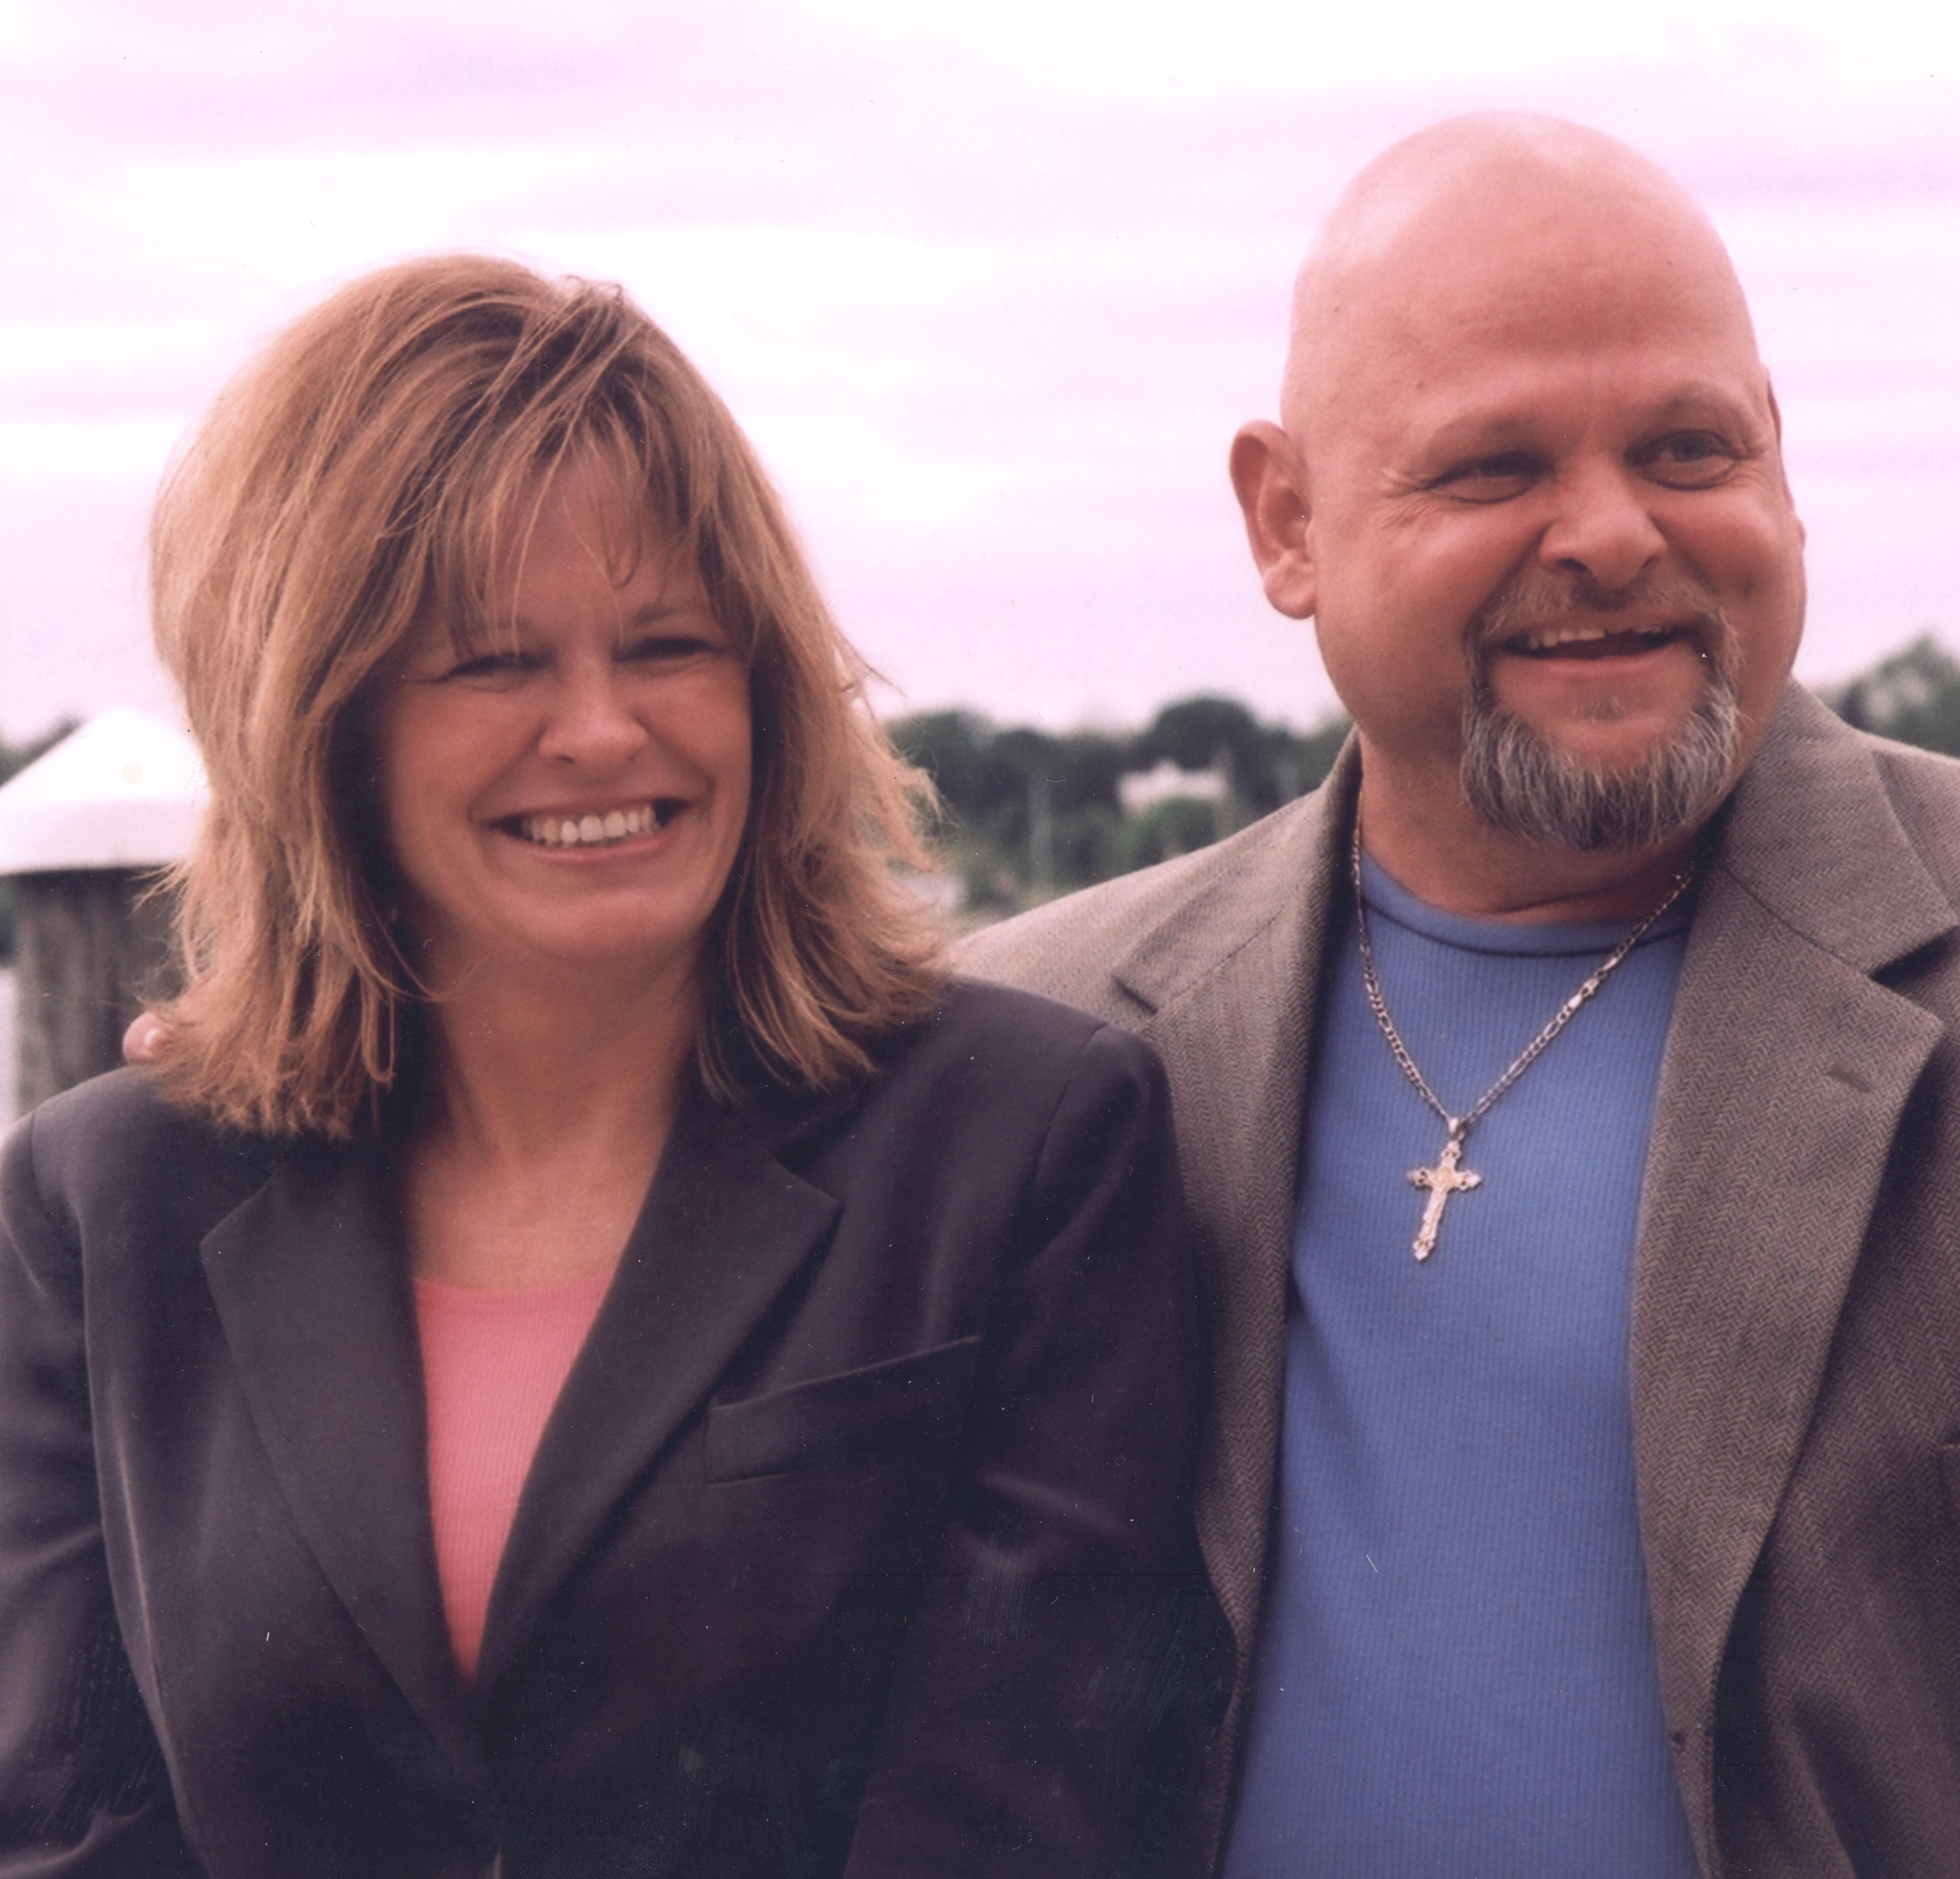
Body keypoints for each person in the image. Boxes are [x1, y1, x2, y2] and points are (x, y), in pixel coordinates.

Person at [0, 255, 1224, 1877]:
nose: (599, 729)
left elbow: (1027, 1815)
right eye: (497, 662)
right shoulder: (97, 1208)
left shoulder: (1030, 1146)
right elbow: (70, 1825)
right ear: (325, 723)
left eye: (667, 645)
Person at [962, 113, 1960, 1876]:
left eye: (1690, 447)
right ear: (1286, 519)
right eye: (1493, 468)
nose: (1614, 534)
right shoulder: (1034, 1047)